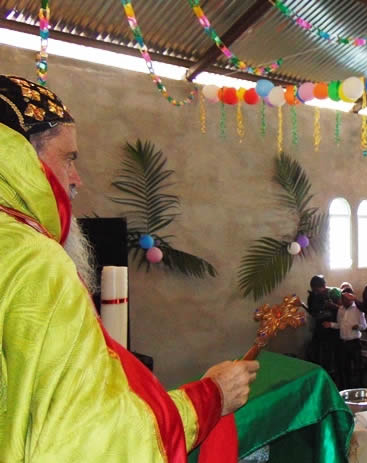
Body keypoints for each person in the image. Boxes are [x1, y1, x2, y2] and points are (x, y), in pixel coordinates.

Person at [0, 75, 258, 462]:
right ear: (19, 157)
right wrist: (210, 397)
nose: (76, 180)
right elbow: (90, 444)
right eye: (68, 158)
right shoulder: (34, 261)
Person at [306, 275, 340, 377]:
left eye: (318, 290)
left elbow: (343, 309)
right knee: (317, 352)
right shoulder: (312, 296)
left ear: (324, 286)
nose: (316, 292)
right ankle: (320, 373)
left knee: (330, 354)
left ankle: (331, 374)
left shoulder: (333, 293)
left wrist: (333, 306)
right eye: (314, 290)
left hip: (332, 329)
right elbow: (313, 312)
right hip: (320, 328)